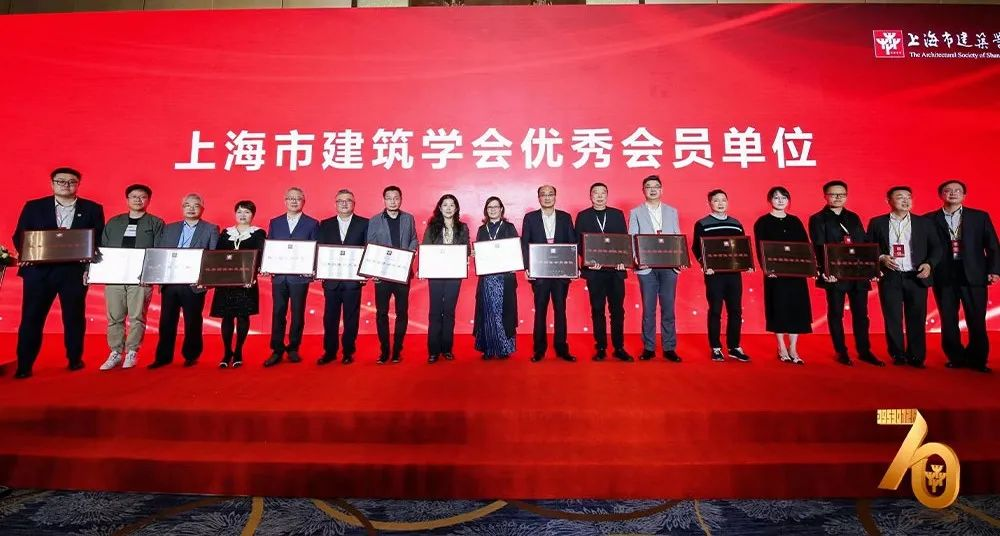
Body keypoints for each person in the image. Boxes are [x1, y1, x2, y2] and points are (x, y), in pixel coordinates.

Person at [12, 167, 105, 379]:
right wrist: (27, 254)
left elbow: (98, 239)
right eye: (60, 181)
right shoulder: (34, 206)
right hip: (38, 272)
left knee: (74, 318)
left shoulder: (92, 208)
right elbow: (20, 235)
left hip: (73, 272)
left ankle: (74, 359)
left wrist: (89, 261)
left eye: (71, 182)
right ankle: (24, 365)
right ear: (52, 183)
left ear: (78, 184)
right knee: (31, 318)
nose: (66, 185)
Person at [924, 180, 997, 373]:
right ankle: (955, 357)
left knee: (976, 319)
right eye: (948, 190)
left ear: (964, 195)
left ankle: (977, 360)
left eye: (958, 191)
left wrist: (994, 270)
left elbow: (992, 246)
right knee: (948, 318)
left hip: (974, 274)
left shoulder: (979, 217)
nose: (953, 193)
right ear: (941, 195)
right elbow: (924, 247)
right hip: (944, 275)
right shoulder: (929, 219)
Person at [808, 180, 883, 367]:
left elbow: (863, 244)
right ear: (825, 196)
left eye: (841, 194)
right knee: (836, 313)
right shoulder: (818, 219)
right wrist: (824, 271)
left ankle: (864, 351)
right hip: (835, 273)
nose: (838, 197)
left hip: (858, 273)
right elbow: (818, 246)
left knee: (861, 314)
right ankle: (841, 351)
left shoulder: (853, 217)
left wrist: (872, 269)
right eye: (833, 194)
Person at [867, 186, 941, 368]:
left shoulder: (924, 223)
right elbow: (869, 246)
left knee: (917, 317)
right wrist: (881, 257)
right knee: (892, 317)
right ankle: (897, 354)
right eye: (900, 197)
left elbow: (937, 248)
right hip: (890, 276)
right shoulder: (877, 222)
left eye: (909, 197)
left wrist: (929, 264)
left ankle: (916, 356)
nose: (906, 200)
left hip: (916, 276)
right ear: (888, 201)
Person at [98, 184, 164, 371]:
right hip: (115, 276)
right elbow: (102, 249)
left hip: (140, 278)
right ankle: (115, 352)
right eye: (134, 196)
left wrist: (152, 275)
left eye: (142, 197)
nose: (138, 200)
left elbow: (158, 252)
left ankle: (132, 352)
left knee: (137, 317)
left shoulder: (155, 223)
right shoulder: (114, 222)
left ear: (148, 200)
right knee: (114, 317)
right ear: (127, 199)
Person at [150, 194, 219, 369]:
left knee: (192, 321)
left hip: (193, 283)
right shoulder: (169, 228)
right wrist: (155, 277)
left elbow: (213, 257)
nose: (191, 208)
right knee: (166, 321)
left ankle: (191, 355)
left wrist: (206, 281)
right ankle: (163, 357)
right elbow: (160, 253)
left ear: (202, 209)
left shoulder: (210, 229)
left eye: (195, 205)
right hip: (170, 282)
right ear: (182, 208)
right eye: (187, 205)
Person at [753, 186, 812, 365]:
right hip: (775, 274)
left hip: (796, 273)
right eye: (776, 197)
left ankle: (793, 348)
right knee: (778, 308)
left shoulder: (795, 221)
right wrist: (767, 269)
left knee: (797, 308)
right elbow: (760, 248)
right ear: (769, 200)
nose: (780, 201)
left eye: (784, 197)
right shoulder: (763, 222)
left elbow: (805, 246)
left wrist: (809, 267)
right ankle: (781, 347)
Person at [574, 182, 632, 362]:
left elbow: (624, 241)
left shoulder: (617, 214)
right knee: (597, 309)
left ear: (607, 195)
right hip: (595, 272)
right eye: (595, 193)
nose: (599, 196)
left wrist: (623, 261)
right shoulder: (583, 216)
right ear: (590, 196)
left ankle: (619, 347)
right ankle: (600, 347)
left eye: (603, 193)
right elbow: (578, 243)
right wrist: (589, 260)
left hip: (616, 271)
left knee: (617, 310)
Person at [691, 189, 751, 363]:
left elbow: (742, 247)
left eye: (723, 200)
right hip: (714, 274)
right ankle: (716, 348)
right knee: (715, 310)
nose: (720, 203)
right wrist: (705, 265)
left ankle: (734, 347)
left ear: (727, 202)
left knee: (735, 310)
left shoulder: (736, 223)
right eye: (716, 200)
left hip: (734, 274)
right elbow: (696, 247)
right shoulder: (702, 223)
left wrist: (746, 263)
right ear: (710, 203)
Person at [628, 175, 682, 362]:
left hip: (669, 267)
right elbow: (632, 237)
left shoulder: (672, 211)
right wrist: (636, 259)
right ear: (643, 190)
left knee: (668, 308)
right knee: (648, 309)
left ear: (661, 189)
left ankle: (669, 347)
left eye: (656, 186)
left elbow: (677, 236)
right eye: (648, 187)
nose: (652, 189)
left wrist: (680, 259)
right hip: (646, 268)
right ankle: (649, 347)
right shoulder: (636, 212)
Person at [263, 187, 319, 368]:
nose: (294, 201)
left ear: (304, 201)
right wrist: (267, 265)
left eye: (298, 198)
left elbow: (315, 248)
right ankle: (277, 349)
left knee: (297, 312)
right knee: (278, 312)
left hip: (300, 277)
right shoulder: (275, 222)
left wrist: (312, 269)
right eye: (291, 198)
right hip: (279, 277)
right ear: (285, 201)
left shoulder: (312, 223)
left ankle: (294, 347)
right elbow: (270, 246)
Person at [522, 184, 578, 362]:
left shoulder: (565, 217)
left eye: (550, 194)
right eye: (543, 194)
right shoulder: (530, 218)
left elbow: (572, 243)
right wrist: (527, 268)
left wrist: (573, 267)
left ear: (555, 196)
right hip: (539, 273)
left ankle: (562, 348)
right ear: (539, 198)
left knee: (560, 310)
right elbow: (525, 244)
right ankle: (539, 350)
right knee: (540, 311)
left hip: (561, 274)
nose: (547, 197)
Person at [211, 200, 267, 368]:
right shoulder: (225, 233)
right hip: (226, 282)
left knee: (243, 316)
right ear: (235, 214)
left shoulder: (258, 233)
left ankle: (238, 351)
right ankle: (227, 351)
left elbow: (261, 256)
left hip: (246, 282)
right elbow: (216, 256)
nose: (243, 215)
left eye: (247, 212)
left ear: (253, 215)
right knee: (226, 316)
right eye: (239, 212)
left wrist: (254, 274)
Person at [366, 185, 418, 364]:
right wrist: (373, 269)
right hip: (382, 274)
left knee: (402, 312)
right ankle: (384, 350)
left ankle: (397, 350)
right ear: (384, 200)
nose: (393, 201)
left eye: (396, 198)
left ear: (401, 199)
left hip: (402, 272)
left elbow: (414, 238)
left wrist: (411, 251)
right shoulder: (375, 220)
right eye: (389, 198)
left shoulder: (408, 218)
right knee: (382, 313)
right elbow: (371, 245)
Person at [317, 189, 369, 365]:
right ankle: (329, 352)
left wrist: (364, 272)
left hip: (352, 281)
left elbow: (368, 248)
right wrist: (319, 270)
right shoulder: (325, 224)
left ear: (354, 204)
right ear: (336, 204)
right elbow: (320, 249)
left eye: (348, 200)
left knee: (351, 318)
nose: (344, 203)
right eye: (340, 201)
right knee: (329, 318)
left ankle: (348, 352)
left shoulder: (364, 223)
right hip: (331, 280)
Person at [422, 194, 471, 363]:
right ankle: (433, 350)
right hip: (436, 274)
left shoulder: (462, 228)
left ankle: (447, 349)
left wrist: (469, 253)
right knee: (435, 311)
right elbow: (426, 249)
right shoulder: (432, 227)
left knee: (449, 311)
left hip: (454, 275)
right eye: (445, 205)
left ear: (456, 208)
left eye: (452, 205)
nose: (448, 208)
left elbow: (466, 249)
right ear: (440, 208)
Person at [473, 197, 518, 360]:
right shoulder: (482, 229)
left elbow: (515, 250)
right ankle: (488, 349)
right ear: (486, 210)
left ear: (501, 209)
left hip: (505, 278)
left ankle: (504, 348)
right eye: (489, 207)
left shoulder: (509, 227)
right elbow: (479, 251)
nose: (492, 210)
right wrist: (476, 254)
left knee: (504, 312)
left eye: (496, 207)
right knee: (487, 313)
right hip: (487, 278)